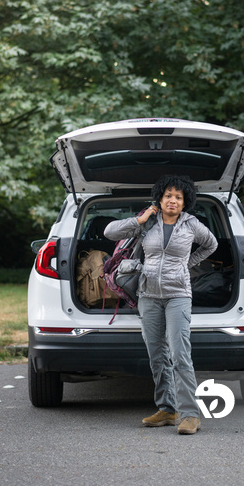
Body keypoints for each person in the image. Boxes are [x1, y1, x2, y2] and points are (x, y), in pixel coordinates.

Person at [104, 174, 218, 435]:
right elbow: (108, 232)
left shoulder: (192, 224)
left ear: (185, 201)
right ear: (160, 198)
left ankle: (190, 414)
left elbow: (210, 244)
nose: (173, 200)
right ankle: (167, 409)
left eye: (178, 197)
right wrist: (139, 219)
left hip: (178, 295)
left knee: (179, 354)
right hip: (148, 295)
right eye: (168, 195)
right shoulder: (148, 222)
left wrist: (184, 266)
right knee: (157, 356)